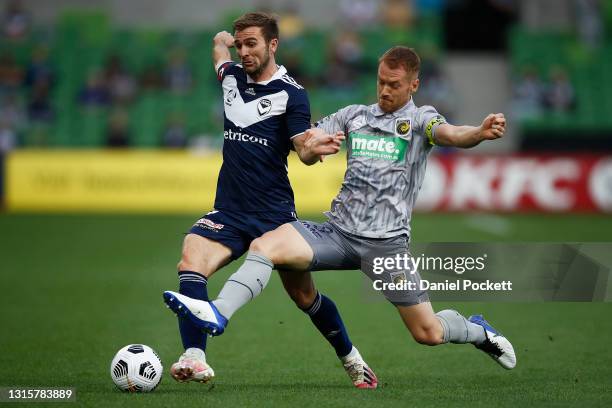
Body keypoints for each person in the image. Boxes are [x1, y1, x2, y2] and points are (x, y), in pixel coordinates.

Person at [164, 46, 517, 386]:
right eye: (381, 81)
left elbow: (451, 134)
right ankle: (218, 311)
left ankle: (477, 330)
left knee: (428, 333)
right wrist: (310, 148)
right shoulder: (354, 116)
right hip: (337, 235)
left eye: (394, 84)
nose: (385, 90)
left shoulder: (421, 119)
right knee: (264, 245)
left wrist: (478, 133)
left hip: (387, 249)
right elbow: (306, 141)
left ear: (414, 85)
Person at [162, 12, 377, 388]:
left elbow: (302, 149)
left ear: (273, 45)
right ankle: (194, 358)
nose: (244, 52)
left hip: (274, 214)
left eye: (252, 44)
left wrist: (315, 149)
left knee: (303, 295)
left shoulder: (291, 93)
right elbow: (218, 52)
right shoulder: (229, 76)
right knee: (190, 258)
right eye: (240, 44)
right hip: (229, 209)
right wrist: (220, 40)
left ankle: (352, 358)